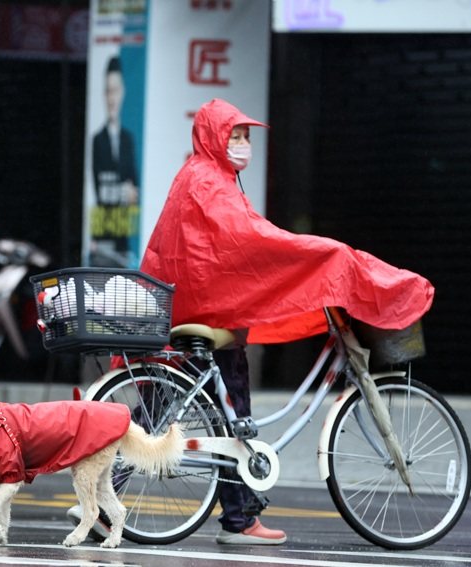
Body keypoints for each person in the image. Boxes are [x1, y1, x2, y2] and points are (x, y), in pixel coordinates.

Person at [140, 98, 434, 544]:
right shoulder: (209, 181)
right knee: (231, 410)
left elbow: (237, 240)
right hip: (207, 307)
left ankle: (111, 498)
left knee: (183, 412)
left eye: (246, 137)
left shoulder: (203, 176)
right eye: (234, 135)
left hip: (187, 305)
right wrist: (316, 255)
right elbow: (249, 241)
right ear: (213, 136)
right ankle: (238, 520)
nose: (242, 144)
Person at [89, 56, 139, 268]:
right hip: (102, 234)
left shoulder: (128, 139)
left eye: (116, 90)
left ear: (123, 92)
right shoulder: (97, 140)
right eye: (108, 91)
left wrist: (132, 193)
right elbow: (96, 189)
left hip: (125, 232)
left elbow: (135, 186)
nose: (112, 98)